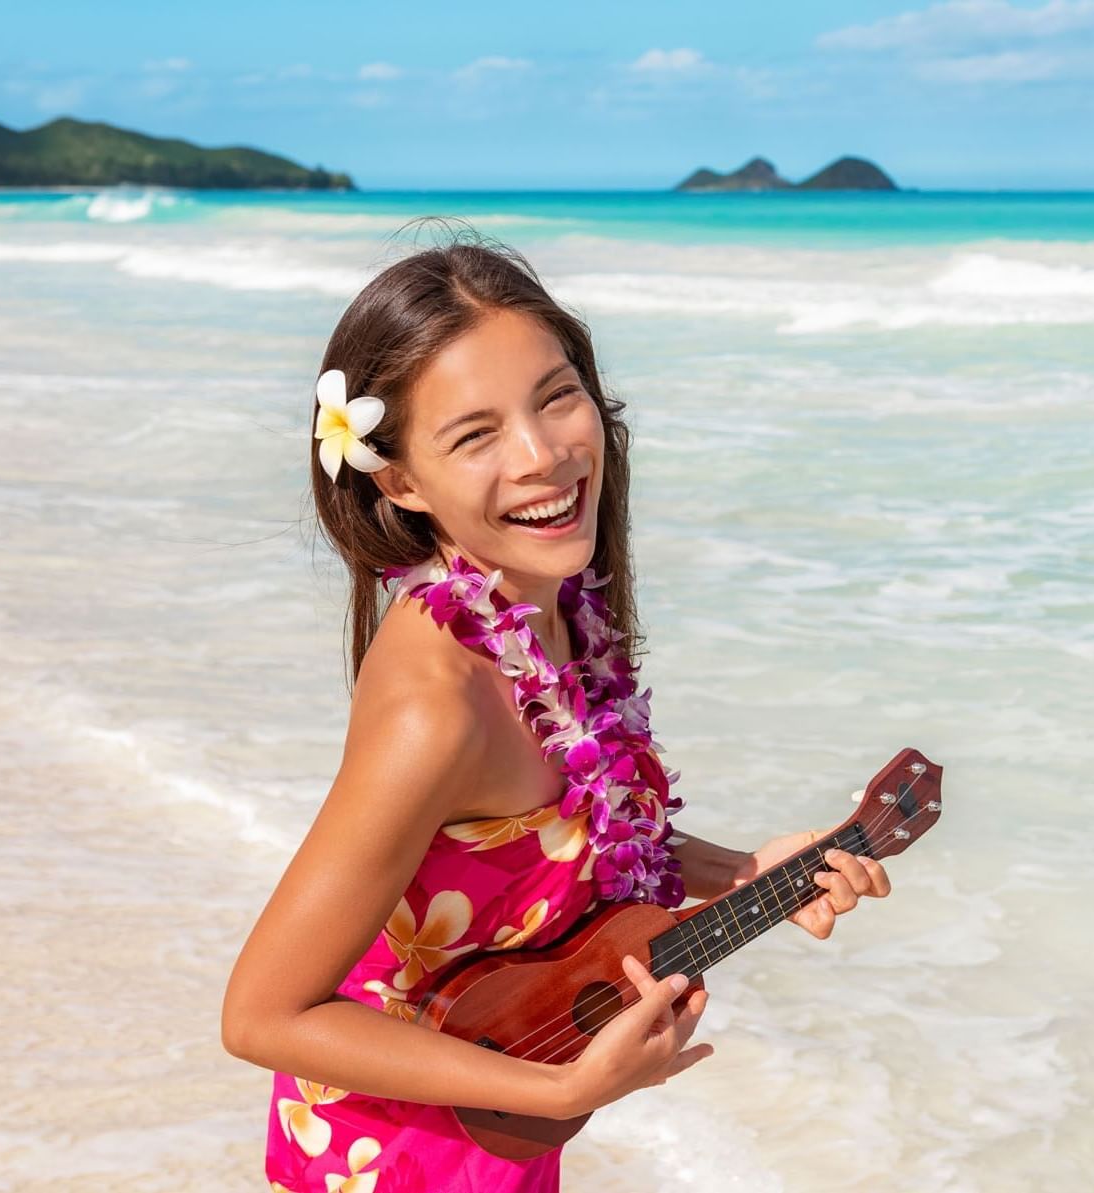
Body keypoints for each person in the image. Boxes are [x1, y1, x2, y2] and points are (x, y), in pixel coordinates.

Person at [221, 233, 892, 1193]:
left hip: (494, 1118)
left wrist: (742, 871)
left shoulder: (551, 607)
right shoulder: (434, 707)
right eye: (475, 433)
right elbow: (263, 1013)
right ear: (400, 481)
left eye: (554, 395)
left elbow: (551, 835)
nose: (541, 456)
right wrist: (564, 1086)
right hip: (389, 1153)